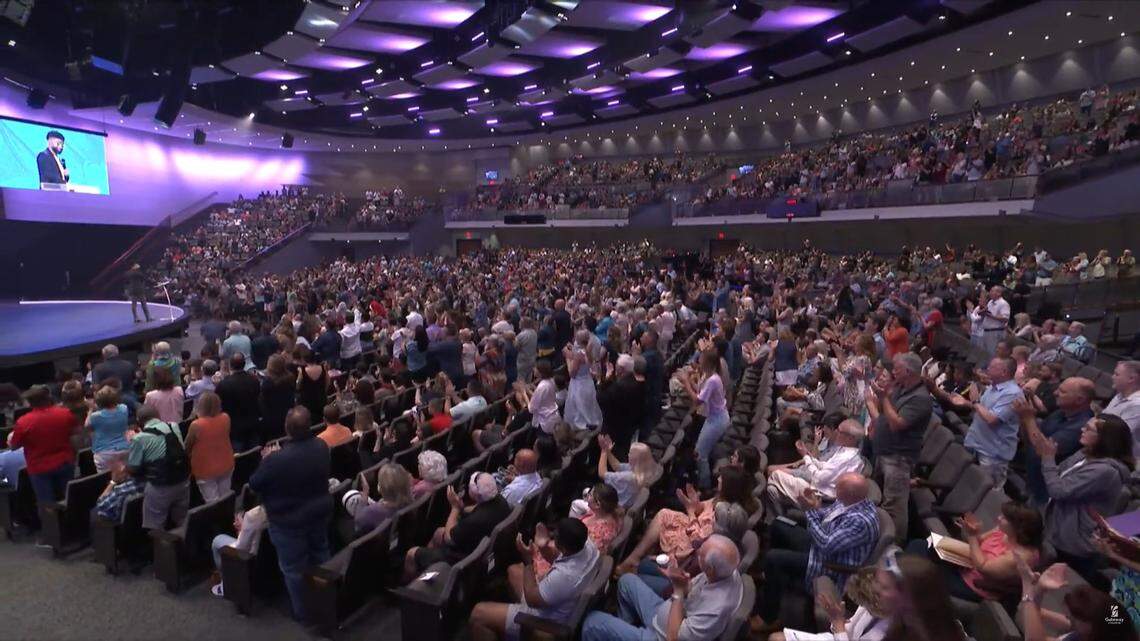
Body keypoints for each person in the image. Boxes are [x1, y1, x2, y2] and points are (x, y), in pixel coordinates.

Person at [753, 473, 879, 633]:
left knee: (773, 558)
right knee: (779, 524)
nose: (834, 489)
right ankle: (776, 578)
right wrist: (814, 506)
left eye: (838, 488)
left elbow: (826, 545)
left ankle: (769, 617)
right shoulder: (849, 501)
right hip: (821, 547)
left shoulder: (860, 521)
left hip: (830, 564)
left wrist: (810, 511)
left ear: (850, 493)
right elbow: (825, 517)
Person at [1029, 413, 1133, 586]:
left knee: (1058, 590)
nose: (1082, 429)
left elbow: (1058, 490)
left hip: (1074, 542)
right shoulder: (1085, 453)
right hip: (1056, 526)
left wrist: (1047, 458)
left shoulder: (1106, 471)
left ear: (1104, 439)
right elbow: (1059, 473)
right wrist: (1048, 460)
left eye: (1089, 428)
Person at [249, 406, 332, 622]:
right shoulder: (321, 446)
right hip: (318, 512)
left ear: (287, 429)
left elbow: (255, 483)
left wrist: (267, 459)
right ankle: (327, 601)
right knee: (321, 556)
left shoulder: (275, 460)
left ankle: (304, 614)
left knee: (294, 569)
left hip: (288, 522)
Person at [581, 534, 743, 641]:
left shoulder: (716, 610)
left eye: (700, 554)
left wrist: (678, 591)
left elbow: (673, 638)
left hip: (661, 636)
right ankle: (621, 631)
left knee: (592, 621)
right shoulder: (726, 569)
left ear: (710, 569)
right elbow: (691, 589)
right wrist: (676, 576)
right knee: (626, 581)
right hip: (665, 614)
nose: (697, 552)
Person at [469, 518, 599, 641]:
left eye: (555, 536)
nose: (552, 535)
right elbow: (560, 558)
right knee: (514, 570)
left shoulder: (565, 576)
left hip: (545, 620)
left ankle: (518, 626)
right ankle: (508, 626)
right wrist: (543, 546)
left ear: (563, 548)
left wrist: (528, 560)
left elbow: (532, 599)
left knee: (478, 613)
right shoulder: (588, 546)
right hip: (555, 599)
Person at [616, 465, 758, 575]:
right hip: (694, 524)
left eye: (722, 478)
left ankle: (636, 561)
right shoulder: (720, 497)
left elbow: (698, 540)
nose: (719, 479)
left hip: (693, 544)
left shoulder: (725, 514)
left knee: (665, 516)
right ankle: (635, 557)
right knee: (664, 513)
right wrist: (694, 503)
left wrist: (690, 511)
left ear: (730, 485)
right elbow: (702, 508)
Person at [904, 501, 1043, 602]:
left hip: (973, 586)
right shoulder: (1003, 531)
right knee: (919, 545)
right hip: (963, 565)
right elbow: (979, 541)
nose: (999, 518)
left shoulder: (1021, 556)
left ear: (1019, 528)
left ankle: (902, 591)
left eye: (1005, 518)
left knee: (919, 567)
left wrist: (971, 536)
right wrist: (972, 530)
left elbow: (983, 567)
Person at [866, 353, 932, 544]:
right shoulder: (901, 388)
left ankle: (894, 546)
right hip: (885, 452)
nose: (893, 371)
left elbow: (897, 424)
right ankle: (877, 538)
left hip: (898, 458)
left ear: (908, 371)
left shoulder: (920, 398)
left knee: (894, 506)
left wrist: (883, 397)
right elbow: (885, 413)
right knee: (880, 498)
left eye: (897, 368)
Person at [404, 471, 512, 582]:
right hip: (476, 543)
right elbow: (473, 509)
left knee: (411, 553)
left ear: (476, 494)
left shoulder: (474, 521)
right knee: (438, 532)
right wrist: (461, 507)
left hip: (461, 558)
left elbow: (449, 538)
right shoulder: (499, 501)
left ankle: (412, 587)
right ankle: (428, 572)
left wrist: (455, 508)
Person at [1013, 378, 1095, 506]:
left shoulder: (1082, 426)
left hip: (1046, 491)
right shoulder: (1060, 412)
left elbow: (1042, 449)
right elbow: (1032, 438)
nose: (1055, 393)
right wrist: (1024, 419)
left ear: (1079, 400)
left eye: (1062, 392)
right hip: (1032, 476)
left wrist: (1028, 418)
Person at [1016, 557, 1138, 641]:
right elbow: (1037, 612)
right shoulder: (1105, 624)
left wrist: (1029, 589)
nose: (1069, 618)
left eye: (1073, 617)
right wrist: (1038, 590)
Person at [947, 357, 1021, 488]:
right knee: (967, 488)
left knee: (987, 492)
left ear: (1004, 372)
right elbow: (983, 410)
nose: (987, 369)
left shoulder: (1012, 394)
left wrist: (975, 402)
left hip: (992, 454)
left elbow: (992, 419)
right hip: (976, 444)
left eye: (991, 367)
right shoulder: (993, 387)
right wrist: (966, 403)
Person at [769, 565, 891, 641]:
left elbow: (841, 629)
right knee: (776, 638)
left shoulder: (893, 632)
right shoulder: (870, 605)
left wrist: (838, 624)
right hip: (839, 638)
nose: (863, 607)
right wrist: (837, 620)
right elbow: (848, 629)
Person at [766, 419, 865, 509]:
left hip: (820, 496)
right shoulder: (845, 451)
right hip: (817, 488)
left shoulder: (846, 458)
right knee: (772, 489)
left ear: (850, 438)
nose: (836, 433)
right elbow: (824, 466)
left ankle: (786, 516)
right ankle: (781, 518)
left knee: (775, 474)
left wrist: (805, 456)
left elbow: (819, 478)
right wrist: (809, 457)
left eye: (840, 431)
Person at [8, 385, 77, 505]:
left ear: (30, 403)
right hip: (66, 462)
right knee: (70, 499)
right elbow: (76, 435)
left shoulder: (23, 422)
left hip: (39, 469)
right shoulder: (65, 413)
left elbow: (14, 447)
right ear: (48, 398)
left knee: (46, 505)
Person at [127, 405, 191, 530]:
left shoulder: (139, 439)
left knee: (155, 528)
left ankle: (160, 542)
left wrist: (132, 444)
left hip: (160, 487)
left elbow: (133, 468)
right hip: (183, 481)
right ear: (158, 416)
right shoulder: (173, 426)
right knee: (182, 522)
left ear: (139, 421)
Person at [679, 349, 731, 490]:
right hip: (714, 418)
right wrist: (689, 381)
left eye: (701, 360)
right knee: (702, 451)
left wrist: (686, 382)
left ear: (708, 362)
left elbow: (698, 401)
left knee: (700, 454)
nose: (699, 362)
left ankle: (704, 487)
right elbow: (701, 393)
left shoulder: (713, 380)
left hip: (717, 420)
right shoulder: (710, 377)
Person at [209, 505, 269, 598]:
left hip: (249, 556)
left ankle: (225, 583)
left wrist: (242, 533)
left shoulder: (250, 518)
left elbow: (241, 549)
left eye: (237, 520)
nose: (234, 524)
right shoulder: (267, 510)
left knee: (217, 540)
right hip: (264, 555)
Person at [184, 391, 234, 502]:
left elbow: (187, 447)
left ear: (200, 406)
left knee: (213, 503)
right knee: (225, 498)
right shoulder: (226, 418)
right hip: (226, 463)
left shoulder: (196, 425)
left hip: (205, 469)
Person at [597, 354, 647, 458]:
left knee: (615, 457)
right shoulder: (636, 382)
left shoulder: (619, 387)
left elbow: (601, 399)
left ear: (621, 369)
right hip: (629, 427)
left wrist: (602, 380)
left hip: (615, 431)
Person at [342, 463, 412, 535]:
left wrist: (363, 502)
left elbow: (358, 519)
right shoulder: (411, 501)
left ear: (380, 488)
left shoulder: (369, 513)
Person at [595, 436, 660, 509]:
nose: (628, 454)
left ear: (635, 459)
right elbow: (617, 466)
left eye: (630, 453)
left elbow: (602, 474)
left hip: (616, 507)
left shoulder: (629, 477)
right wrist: (608, 451)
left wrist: (603, 451)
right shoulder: (643, 469)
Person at [215, 353, 262, 451]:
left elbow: (218, 406)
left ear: (230, 365)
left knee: (239, 457)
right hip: (253, 423)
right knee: (255, 453)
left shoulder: (223, 384)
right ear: (244, 364)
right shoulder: (254, 380)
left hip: (234, 429)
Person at [562, 330, 604, 430]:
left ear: (577, 340)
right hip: (588, 381)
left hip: (578, 383)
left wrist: (567, 359)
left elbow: (572, 374)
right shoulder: (588, 351)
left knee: (578, 406)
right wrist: (572, 350)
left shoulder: (579, 355)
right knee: (588, 405)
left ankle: (582, 427)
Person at [86, 385, 130, 473]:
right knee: (125, 476)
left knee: (106, 479)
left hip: (104, 453)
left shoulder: (95, 416)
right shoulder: (124, 409)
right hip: (125, 449)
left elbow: (87, 425)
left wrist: (90, 409)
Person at [1103, 361, 1140, 457]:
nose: (1112, 377)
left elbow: (1117, 434)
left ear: (1131, 379)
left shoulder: (1137, 405)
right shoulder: (1119, 395)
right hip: (1103, 446)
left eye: (1117, 374)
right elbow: (1102, 418)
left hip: (1118, 456)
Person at [259, 354, 296, 442]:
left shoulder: (267, 383)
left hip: (273, 419)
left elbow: (263, 402)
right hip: (289, 414)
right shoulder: (290, 378)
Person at [527, 360, 560, 434]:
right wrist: (534, 390)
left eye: (535, 368)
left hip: (545, 420)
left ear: (541, 371)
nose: (533, 369)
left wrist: (524, 393)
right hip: (553, 415)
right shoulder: (551, 381)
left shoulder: (542, 387)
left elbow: (531, 409)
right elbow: (544, 397)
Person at [979, 286, 1011, 357]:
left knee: (992, 353)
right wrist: (981, 312)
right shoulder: (990, 302)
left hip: (995, 331)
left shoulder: (1003, 304)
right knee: (984, 353)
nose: (990, 293)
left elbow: (1005, 318)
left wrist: (990, 316)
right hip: (986, 331)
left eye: (992, 291)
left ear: (999, 293)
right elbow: (986, 311)